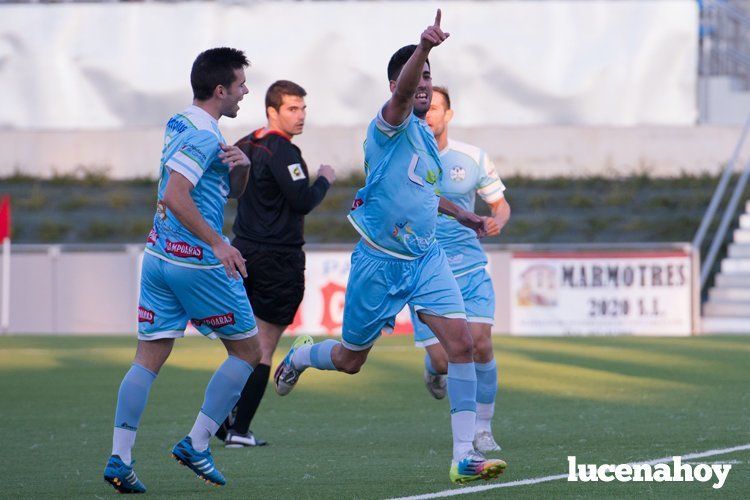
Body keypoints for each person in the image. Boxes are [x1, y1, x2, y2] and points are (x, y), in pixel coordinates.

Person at [273, 11, 507, 484]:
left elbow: (422, 192)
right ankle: (301, 356)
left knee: (462, 347)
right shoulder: (390, 124)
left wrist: (461, 213)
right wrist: (422, 48)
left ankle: (465, 455)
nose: (424, 83)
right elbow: (402, 95)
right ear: (397, 83)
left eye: (429, 78)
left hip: (425, 259)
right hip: (380, 262)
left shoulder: (423, 135)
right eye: (417, 77)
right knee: (350, 360)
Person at [103, 47, 261, 493]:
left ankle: (120, 457)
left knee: (147, 360)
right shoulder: (206, 137)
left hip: (158, 257)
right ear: (219, 90)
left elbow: (225, 192)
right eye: (239, 84)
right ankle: (196, 443)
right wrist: (218, 243)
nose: (245, 91)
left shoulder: (182, 122)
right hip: (197, 263)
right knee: (248, 353)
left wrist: (242, 170)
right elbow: (176, 193)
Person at [215, 80, 335, 447]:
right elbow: (301, 201)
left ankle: (221, 418)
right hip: (277, 258)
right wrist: (325, 180)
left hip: (242, 252)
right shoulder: (284, 151)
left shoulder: (245, 144)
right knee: (263, 347)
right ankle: (238, 429)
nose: (300, 116)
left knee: (242, 345)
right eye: (292, 109)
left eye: (303, 108)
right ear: (272, 111)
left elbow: (223, 181)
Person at [409, 86, 511, 454]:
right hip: (423, 267)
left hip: (468, 264)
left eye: (436, 108)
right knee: (443, 358)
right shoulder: (405, 155)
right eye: (425, 107)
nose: (429, 113)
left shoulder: (472, 158)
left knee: (481, 345)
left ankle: (483, 428)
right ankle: (432, 367)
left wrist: (497, 219)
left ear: (448, 114)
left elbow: (500, 204)